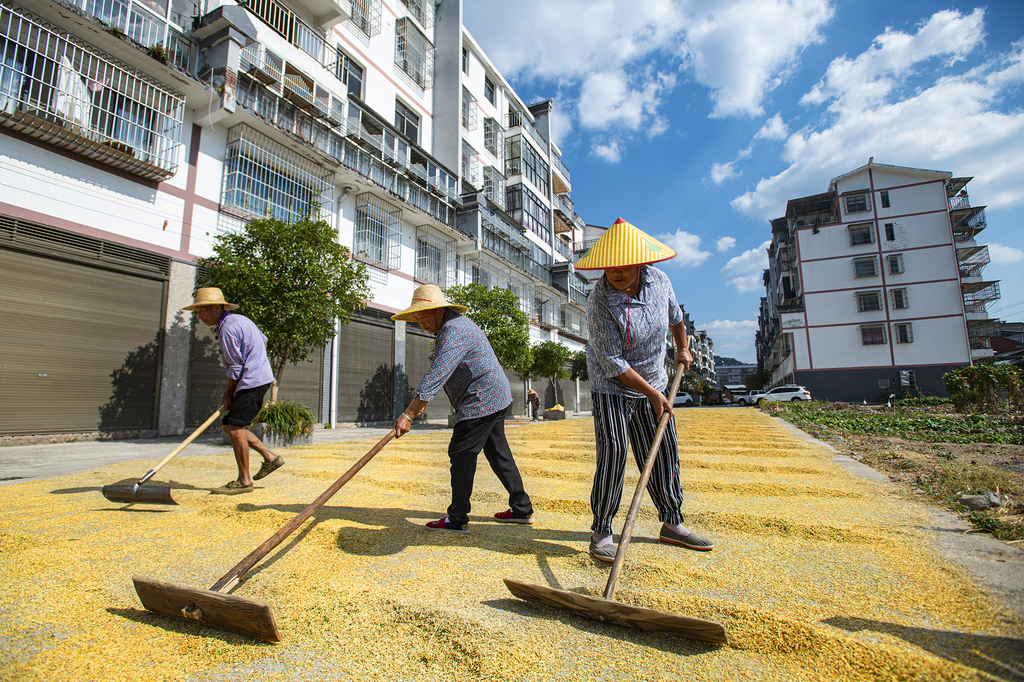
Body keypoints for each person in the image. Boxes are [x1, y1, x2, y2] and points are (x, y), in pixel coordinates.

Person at [574, 218, 714, 562]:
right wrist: (653, 395)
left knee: (662, 451)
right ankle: (603, 529)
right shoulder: (599, 300)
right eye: (610, 267)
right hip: (613, 384)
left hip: (654, 378)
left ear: (640, 261)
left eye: (624, 266)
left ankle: (671, 523)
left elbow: (675, 316)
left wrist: (682, 348)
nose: (616, 272)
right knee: (616, 450)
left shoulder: (660, 281)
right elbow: (612, 361)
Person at [392, 284, 534, 533]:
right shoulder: (452, 327)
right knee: (499, 454)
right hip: (494, 396)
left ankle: (457, 518)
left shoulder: (453, 329)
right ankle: (522, 509)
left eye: (424, 315)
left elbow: (437, 373)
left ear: (438, 311)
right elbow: (445, 372)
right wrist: (422, 403)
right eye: (417, 317)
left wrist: (409, 413)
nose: (421, 322)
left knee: (461, 453)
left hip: (482, 398)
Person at [183, 287, 284, 494]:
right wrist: (256, 360)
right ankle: (269, 457)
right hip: (257, 378)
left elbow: (235, 368)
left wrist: (229, 393)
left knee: (237, 429)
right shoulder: (240, 320)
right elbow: (263, 340)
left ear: (216, 308)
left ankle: (244, 481)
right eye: (197, 312)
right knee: (229, 426)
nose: (199, 316)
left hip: (252, 381)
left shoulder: (228, 328)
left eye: (202, 311)